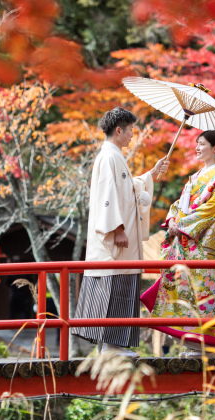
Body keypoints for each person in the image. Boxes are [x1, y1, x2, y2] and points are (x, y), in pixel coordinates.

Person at [71, 107, 169, 357]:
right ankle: (112, 347)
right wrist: (117, 228)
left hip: (118, 240)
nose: (132, 136)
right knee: (115, 288)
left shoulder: (112, 156)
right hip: (117, 240)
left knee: (116, 288)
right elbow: (108, 196)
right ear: (118, 130)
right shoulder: (109, 157)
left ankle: (109, 346)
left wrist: (151, 174)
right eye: (131, 131)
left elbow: (126, 189)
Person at [140, 130, 215, 357]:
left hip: (202, 244)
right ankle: (190, 344)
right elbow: (179, 204)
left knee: (202, 292)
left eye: (202, 144)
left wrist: (183, 225)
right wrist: (174, 220)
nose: (197, 148)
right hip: (186, 241)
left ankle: (201, 346)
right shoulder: (196, 177)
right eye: (196, 143)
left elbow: (212, 208)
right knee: (187, 292)